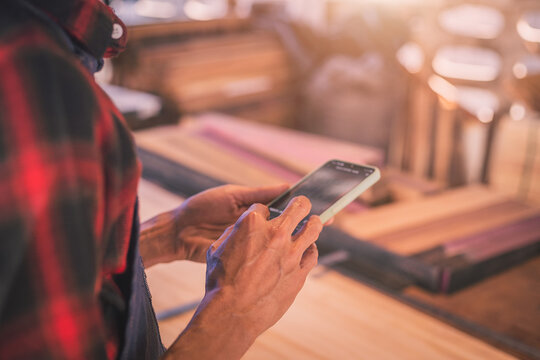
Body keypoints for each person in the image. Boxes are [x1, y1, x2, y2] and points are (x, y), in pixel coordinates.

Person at [0, 0, 324, 359]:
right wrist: (234, 314)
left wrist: (166, 234)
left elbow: (35, 287)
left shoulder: (36, 50)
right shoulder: (35, 82)